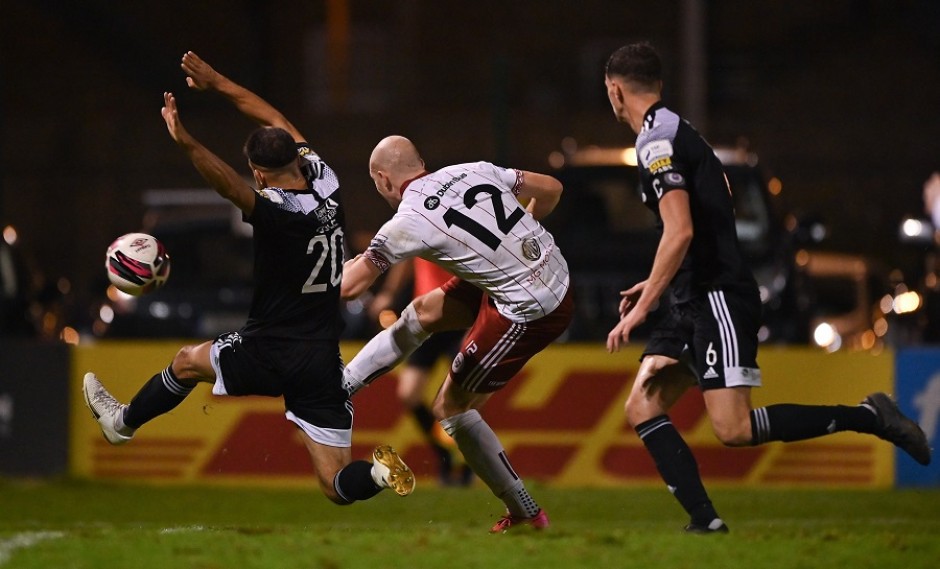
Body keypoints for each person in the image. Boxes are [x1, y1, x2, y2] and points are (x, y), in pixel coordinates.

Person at [603, 42, 931, 533]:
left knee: (733, 430)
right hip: (691, 297)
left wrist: (641, 307)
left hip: (716, 298)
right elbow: (706, 221)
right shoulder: (677, 132)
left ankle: (868, 415)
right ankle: (706, 524)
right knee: (643, 405)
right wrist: (654, 282)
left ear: (614, 90)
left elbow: (683, 231)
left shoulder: (656, 143)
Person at [82, 52, 414, 505]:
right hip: (319, 356)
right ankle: (376, 475)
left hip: (271, 346)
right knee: (336, 487)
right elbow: (273, 117)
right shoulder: (328, 182)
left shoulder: (276, 212)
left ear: (259, 173)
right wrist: (217, 81)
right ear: (297, 158)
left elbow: (226, 184)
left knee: (184, 363)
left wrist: (184, 140)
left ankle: (122, 425)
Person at [341, 135, 573, 532]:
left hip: (530, 307)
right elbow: (552, 188)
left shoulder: (408, 219)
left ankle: (526, 513)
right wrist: (523, 235)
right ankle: (340, 387)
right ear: (422, 162)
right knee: (424, 311)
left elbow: (349, 287)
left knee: (450, 408)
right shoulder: (473, 169)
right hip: (553, 274)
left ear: (382, 180)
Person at [367, 257, 472, 486]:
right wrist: (389, 292)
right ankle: (445, 454)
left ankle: (466, 464)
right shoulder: (418, 223)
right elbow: (406, 257)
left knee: (457, 399)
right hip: (427, 318)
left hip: (462, 316)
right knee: (409, 393)